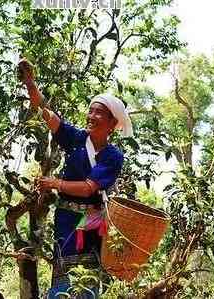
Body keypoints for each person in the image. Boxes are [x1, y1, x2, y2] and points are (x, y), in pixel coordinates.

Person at [18, 58, 133, 298]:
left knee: (86, 273)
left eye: (98, 113)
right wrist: (31, 85)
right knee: (62, 273)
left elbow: (88, 188)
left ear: (112, 123)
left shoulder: (113, 156)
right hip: (66, 218)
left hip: (91, 222)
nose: (91, 116)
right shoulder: (77, 138)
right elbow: (48, 115)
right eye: (90, 110)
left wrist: (55, 183)